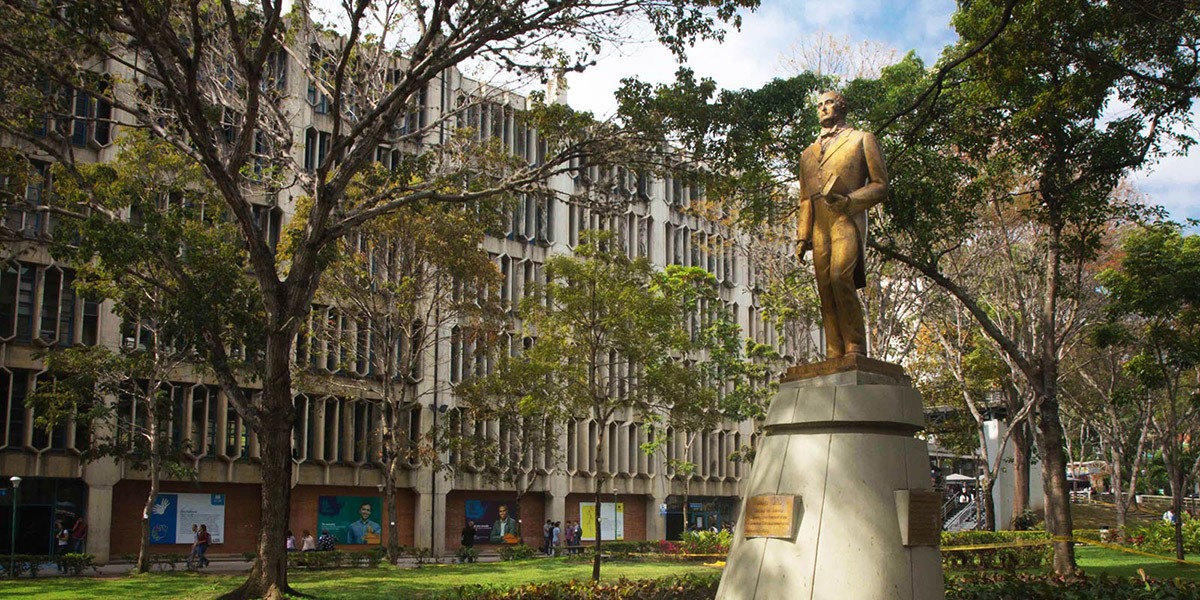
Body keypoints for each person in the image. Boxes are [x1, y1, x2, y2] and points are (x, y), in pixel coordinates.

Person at [795, 90, 889, 359]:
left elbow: (880, 185)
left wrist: (850, 201)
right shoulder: (807, 154)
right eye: (819, 105)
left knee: (840, 277)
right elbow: (805, 199)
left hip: (846, 217)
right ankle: (834, 350)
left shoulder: (862, 139)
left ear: (842, 107)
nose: (823, 109)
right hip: (819, 224)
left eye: (829, 103)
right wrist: (802, 236)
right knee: (824, 286)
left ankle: (854, 344)